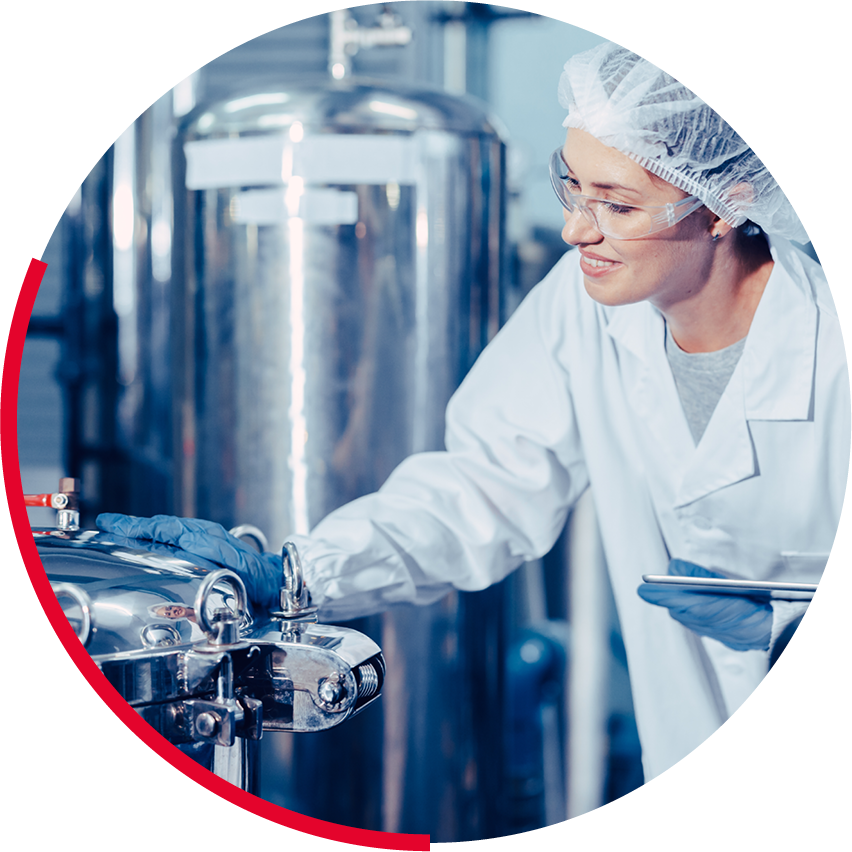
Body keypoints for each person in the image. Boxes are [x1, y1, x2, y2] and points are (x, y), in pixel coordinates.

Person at [97, 42, 850, 781]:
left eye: (617, 205)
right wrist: (297, 573)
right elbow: (483, 485)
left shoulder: (832, 348)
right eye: (572, 188)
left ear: (726, 206)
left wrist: (805, 634)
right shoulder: (585, 307)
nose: (576, 230)